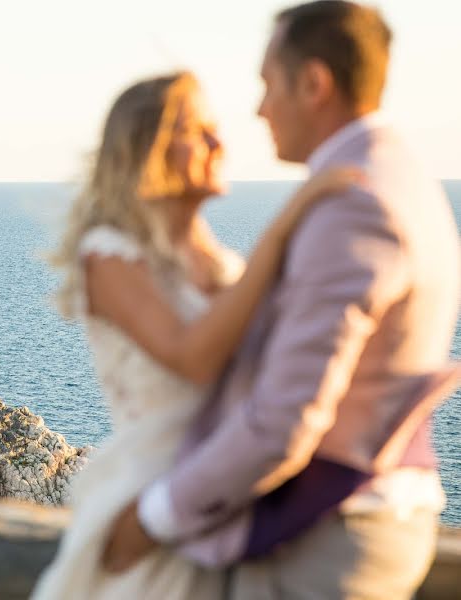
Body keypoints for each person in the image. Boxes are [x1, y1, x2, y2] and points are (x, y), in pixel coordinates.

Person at [102, 2, 461, 598]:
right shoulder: (400, 177)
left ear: (314, 84)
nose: (259, 109)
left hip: (328, 537)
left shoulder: (354, 202)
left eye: (268, 85)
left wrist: (153, 518)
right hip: (358, 520)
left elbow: (286, 420)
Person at [30, 69, 357, 599]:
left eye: (214, 127)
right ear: (148, 151)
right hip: (148, 512)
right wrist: (282, 230)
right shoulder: (109, 254)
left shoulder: (224, 266)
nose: (218, 142)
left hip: (229, 504)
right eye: (195, 129)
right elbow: (193, 357)